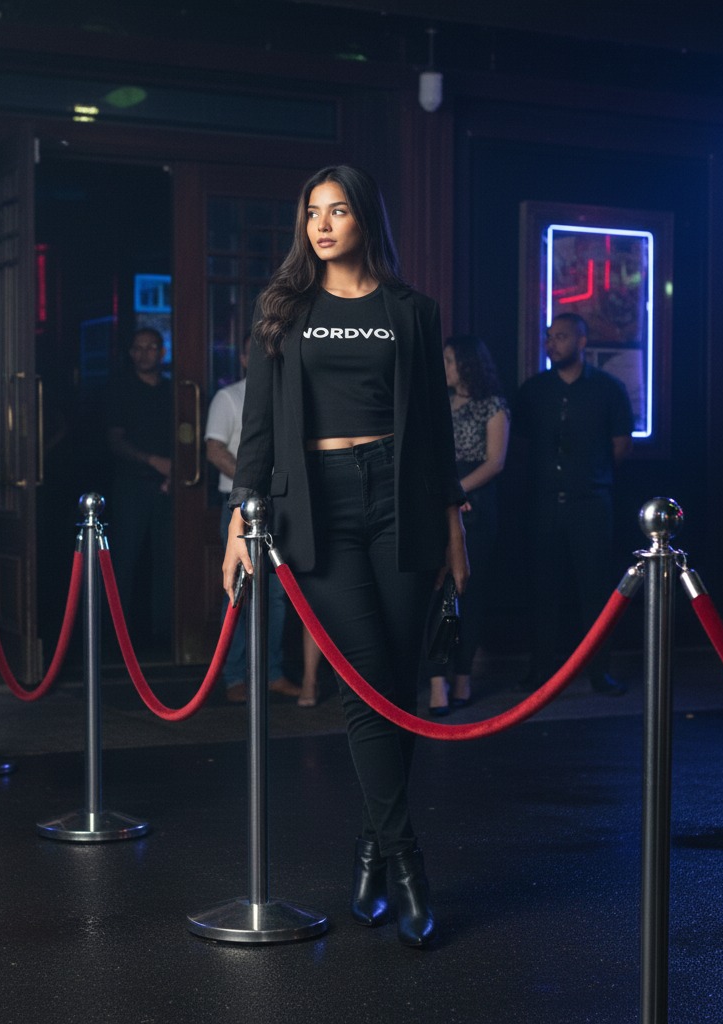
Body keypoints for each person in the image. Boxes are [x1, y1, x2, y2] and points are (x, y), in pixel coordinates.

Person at [222, 164, 469, 948]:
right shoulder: (283, 311)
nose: (322, 224)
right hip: (317, 505)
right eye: (312, 213)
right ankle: (406, 865)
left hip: (403, 498)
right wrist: (240, 519)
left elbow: (431, 425)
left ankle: (370, 847)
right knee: (363, 684)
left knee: (396, 684)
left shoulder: (411, 312)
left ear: (365, 219)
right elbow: (258, 430)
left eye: (337, 211)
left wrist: (454, 521)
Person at [511, 311, 634, 696]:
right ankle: (542, 671)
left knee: (596, 591)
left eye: (561, 337)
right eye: (549, 337)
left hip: (591, 504)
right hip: (544, 503)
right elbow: (521, 447)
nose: (552, 344)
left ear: (582, 342)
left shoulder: (608, 389)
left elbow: (620, 446)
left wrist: (587, 477)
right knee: (543, 589)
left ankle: (600, 671)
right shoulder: (533, 390)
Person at [205, 333, 301, 703]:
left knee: (277, 597)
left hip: (281, 508)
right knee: (240, 594)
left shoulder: (288, 393)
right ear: (245, 359)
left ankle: (273, 673)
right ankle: (234, 679)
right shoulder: (228, 397)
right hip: (240, 509)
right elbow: (214, 449)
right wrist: (253, 486)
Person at [427, 335, 510, 715]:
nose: (444, 367)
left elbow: (495, 462)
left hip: (476, 502)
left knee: (469, 595)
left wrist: (456, 490)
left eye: (449, 360)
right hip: (437, 502)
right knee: (435, 594)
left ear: (467, 364)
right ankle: (436, 680)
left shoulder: (492, 405)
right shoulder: (437, 403)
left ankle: (463, 676)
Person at [106, 327, 174, 652]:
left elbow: (187, 434)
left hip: (169, 486)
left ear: (163, 352)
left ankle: (165, 634)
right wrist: (151, 461)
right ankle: (117, 636)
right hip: (131, 485)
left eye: (151, 347)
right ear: (131, 353)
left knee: (167, 560)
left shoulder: (175, 390)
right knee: (125, 560)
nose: (144, 353)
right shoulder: (120, 389)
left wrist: (175, 471)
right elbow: (114, 441)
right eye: (138, 347)